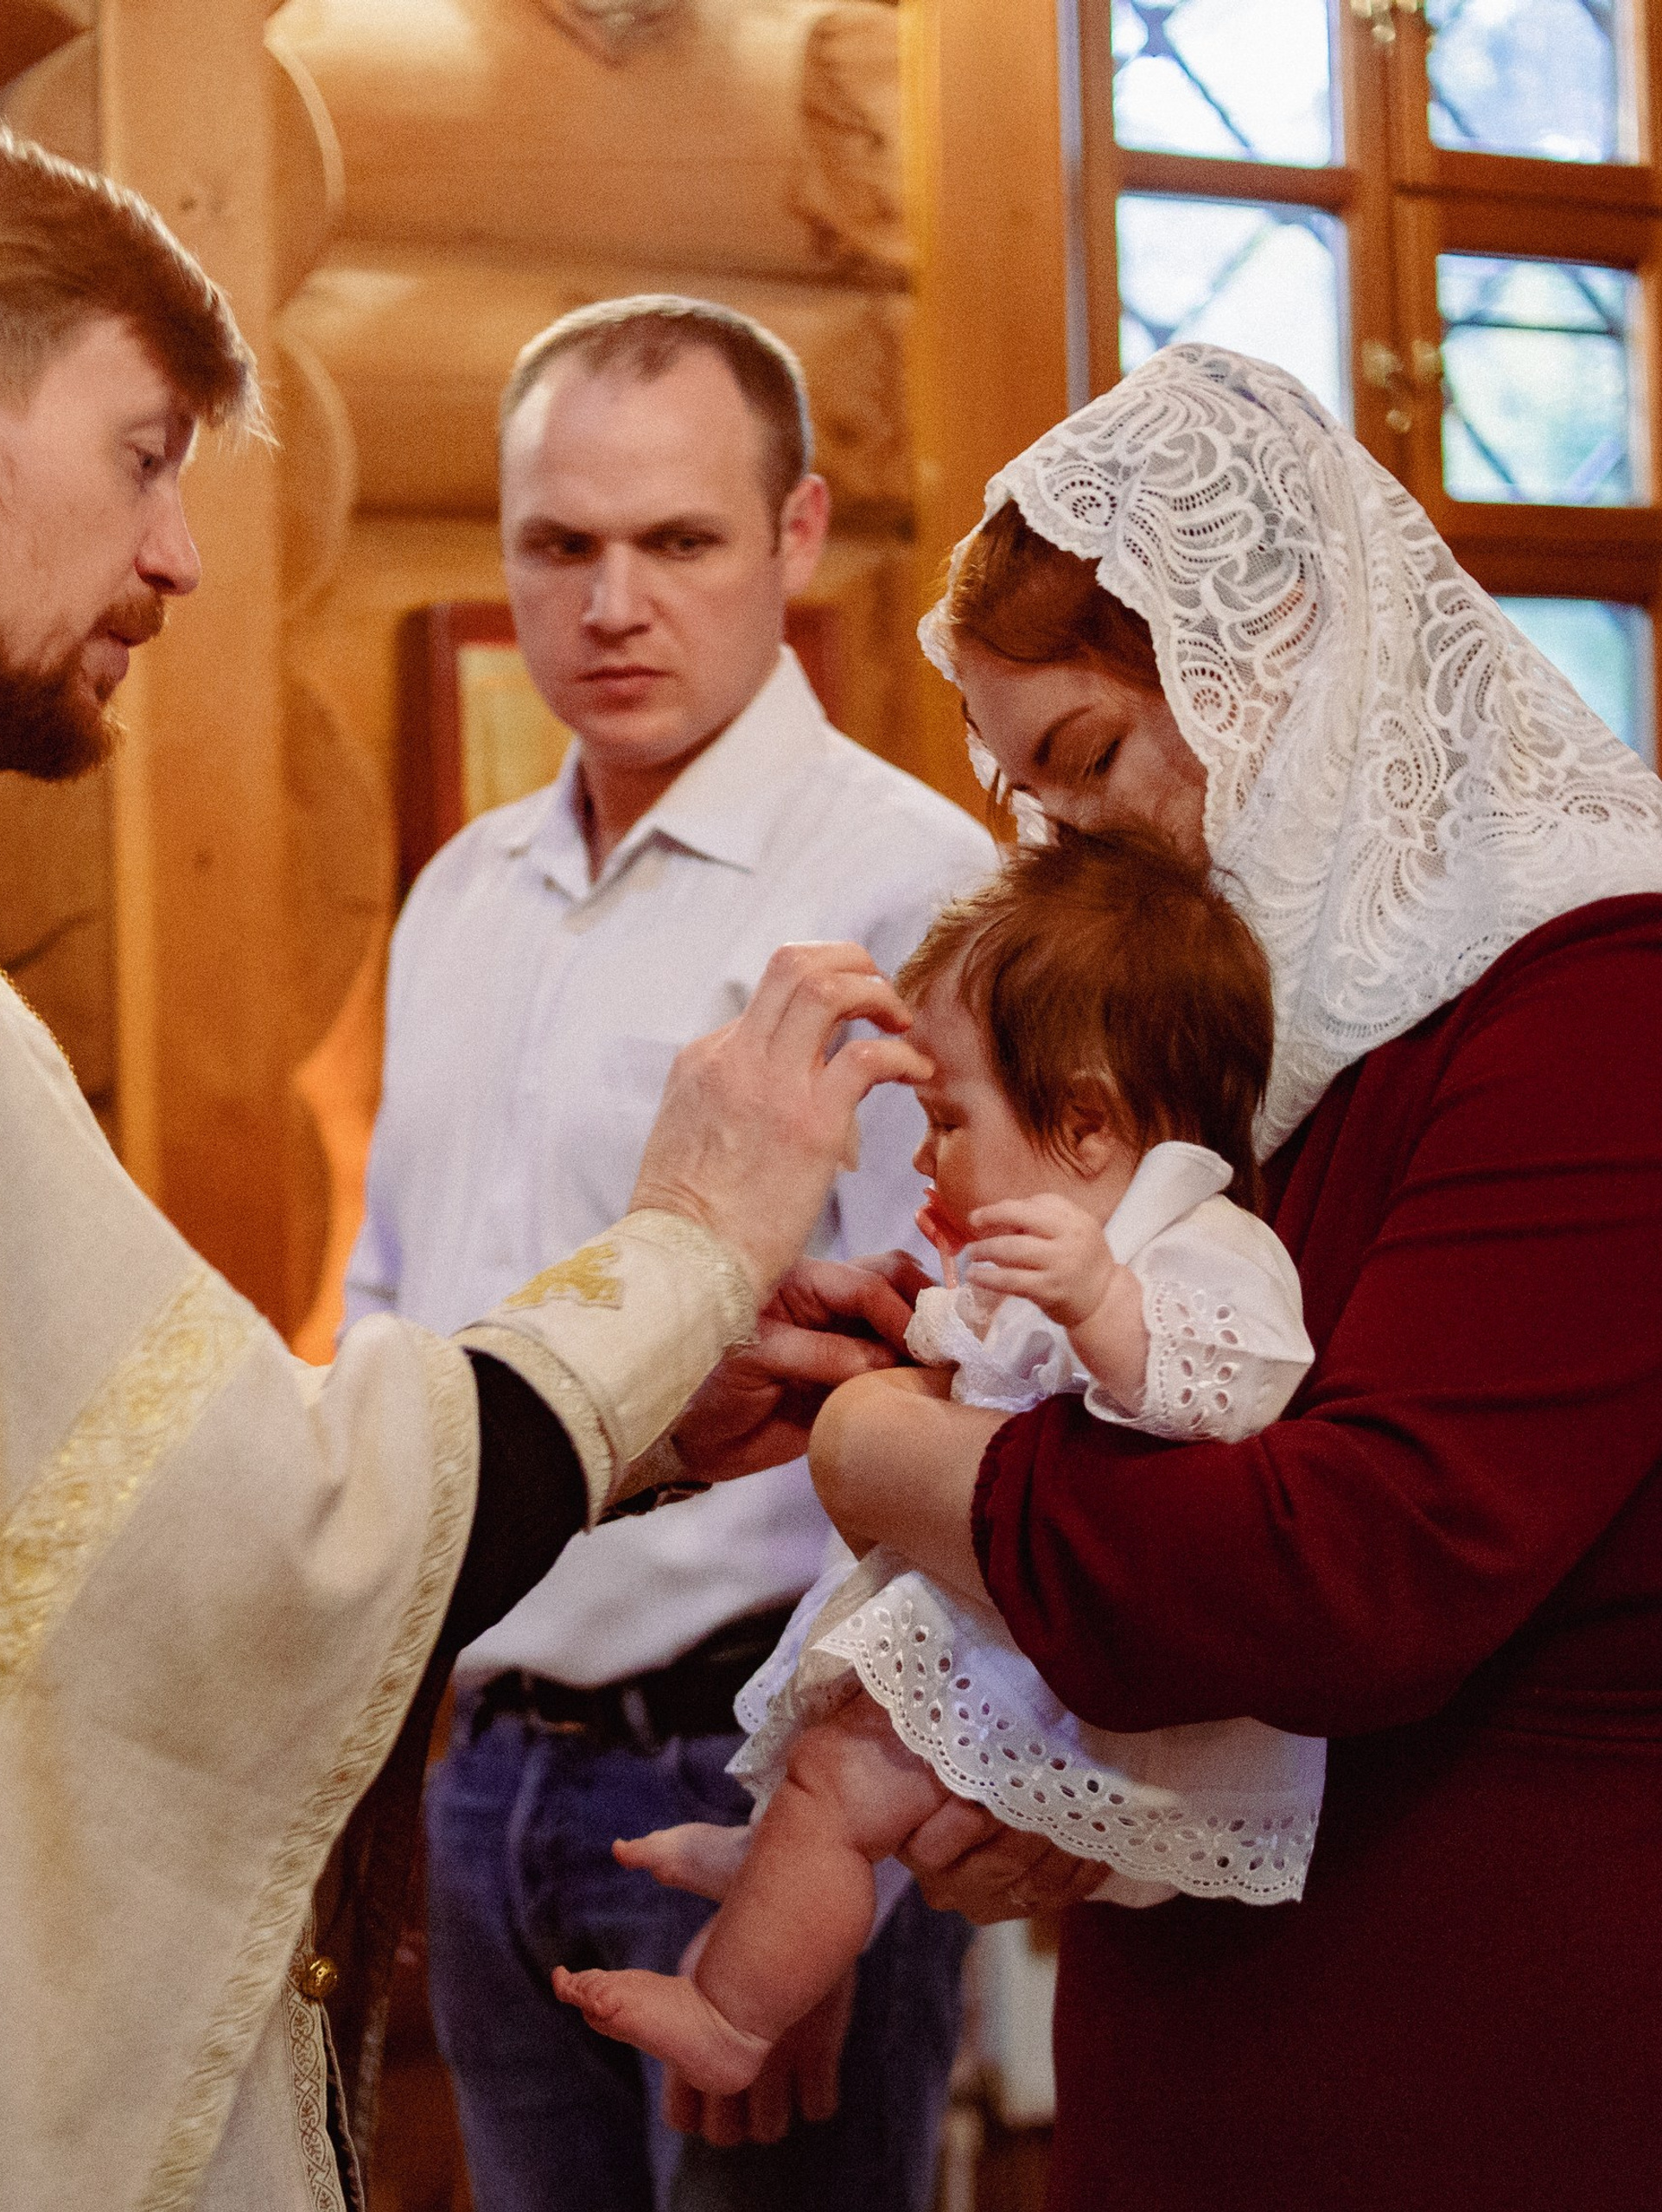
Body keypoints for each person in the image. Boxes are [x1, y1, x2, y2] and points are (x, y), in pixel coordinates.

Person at [0, 129, 933, 2212]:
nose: (179, 556)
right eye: (142, 455)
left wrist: (665, 1479)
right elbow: (251, 1539)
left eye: (674, 541)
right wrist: (687, 1240)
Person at [805, 344, 1662, 2210]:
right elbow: (1154, 1460)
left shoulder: (1601, 994)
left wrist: (888, 1458)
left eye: (1094, 761)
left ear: (1275, 666)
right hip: (1220, 2013)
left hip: (1484, 2051)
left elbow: (1337, 1569)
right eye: (1031, 798)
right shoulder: (1267, 1027)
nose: (1075, 848)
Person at [343, 296, 993, 2209]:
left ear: (792, 536)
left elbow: (964, 1373)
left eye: (677, 540)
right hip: (484, 1763)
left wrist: (839, 1838)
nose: (610, 599)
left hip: (754, 1764)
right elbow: (396, 1299)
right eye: (559, 544)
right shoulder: (463, 889)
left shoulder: (913, 885)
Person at [552, 826, 1322, 2092]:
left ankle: (732, 2018)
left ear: (1085, 1125)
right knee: (836, 1769)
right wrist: (906, 1318)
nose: (926, 1157)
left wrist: (1102, 1313)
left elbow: (1239, 1389)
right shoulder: (1063, 1252)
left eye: (949, 1120)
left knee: (848, 1773)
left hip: (1097, 1686)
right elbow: (978, 1358)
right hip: (1017, 1635)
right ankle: (776, 1862)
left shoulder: (1196, 1246)